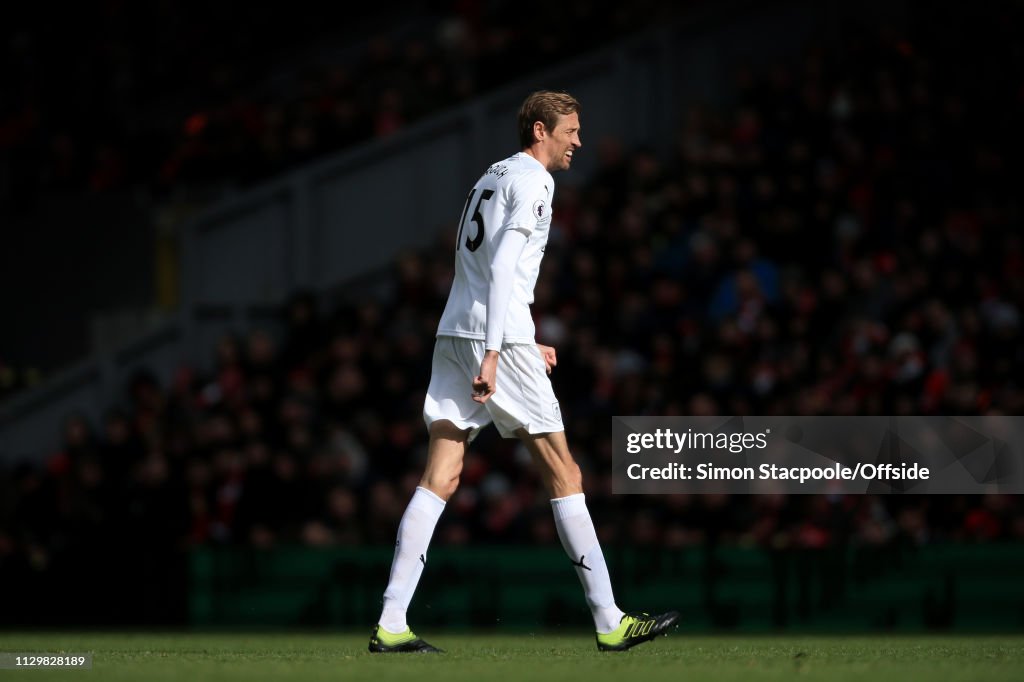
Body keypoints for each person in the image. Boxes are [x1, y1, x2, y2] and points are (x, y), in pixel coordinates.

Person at [369, 90, 678, 653]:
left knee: (441, 472)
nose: (578, 142)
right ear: (541, 130)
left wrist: (518, 336)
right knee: (565, 471)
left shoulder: (492, 175)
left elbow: (476, 262)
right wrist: (501, 348)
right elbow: (505, 264)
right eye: (571, 131)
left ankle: (392, 621)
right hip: (492, 342)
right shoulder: (537, 181)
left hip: (454, 331)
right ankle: (610, 621)